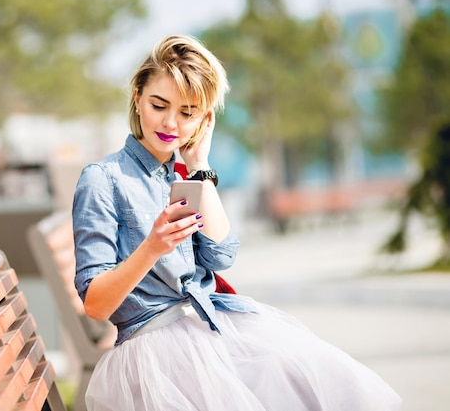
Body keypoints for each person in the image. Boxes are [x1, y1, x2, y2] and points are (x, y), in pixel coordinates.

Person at [72, 34, 402, 411]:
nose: (170, 123)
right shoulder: (103, 178)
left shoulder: (180, 173)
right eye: (159, 105)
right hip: (155, 348)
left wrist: (199, 166)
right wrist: (152, 248)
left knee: (330, 378)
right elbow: (96, 303)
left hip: (207, 325)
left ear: (204, 118)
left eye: (187, 112)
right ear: (137, 96)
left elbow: (222, 254)